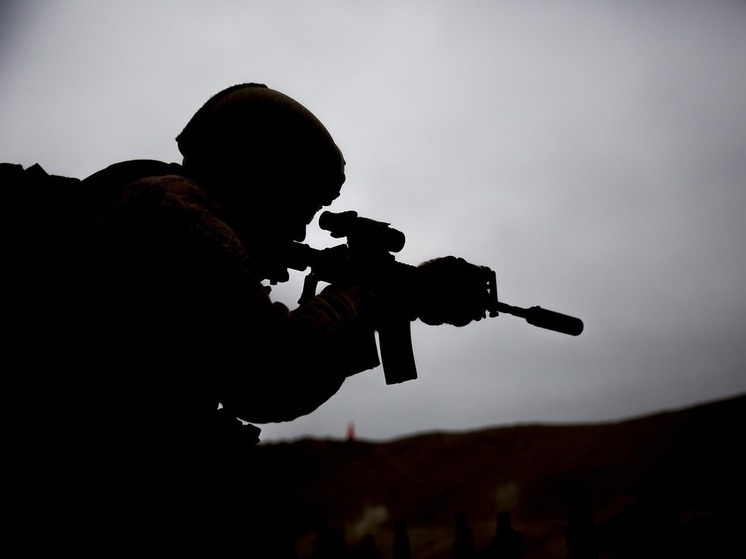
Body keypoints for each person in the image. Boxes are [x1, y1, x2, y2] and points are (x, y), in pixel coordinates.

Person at [5, 83, 489, 553]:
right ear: (260, 176)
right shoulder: (179, 214)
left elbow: (267, 379)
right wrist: (362, 299)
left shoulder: (148, 200)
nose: (301, 229)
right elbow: (270, 376)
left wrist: (395, 297)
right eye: (300, 205)